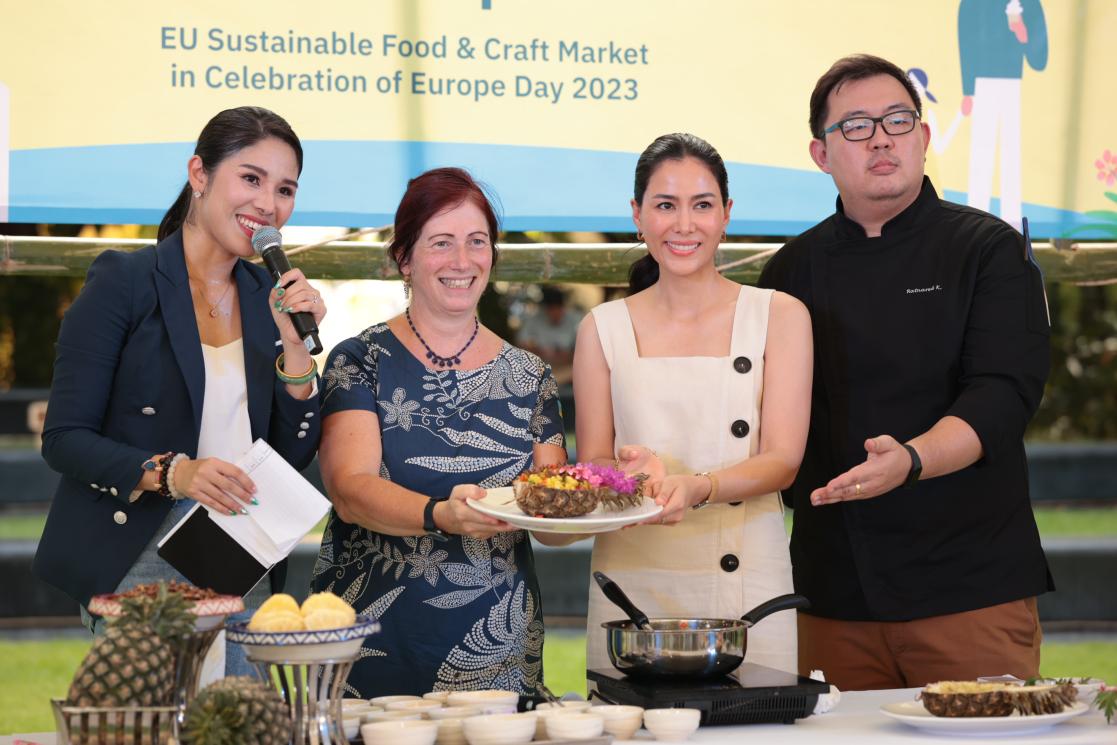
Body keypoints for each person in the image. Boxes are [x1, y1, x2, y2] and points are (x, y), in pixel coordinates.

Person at [758, 54, 1052, 690]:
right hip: (831, 596)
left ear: (922, 137)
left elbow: (1004, 394)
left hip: (970, 591)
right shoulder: (789, 272)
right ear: (821, 154)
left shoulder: (988, 249)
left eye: (897, 120)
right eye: (856, 126)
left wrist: (912, 459)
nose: (881, 138)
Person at [33, 106, 326, 676]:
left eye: (285, 189)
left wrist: (296, 351)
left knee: (244, 717)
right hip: (141, 551)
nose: (268, 203)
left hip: (242, 550)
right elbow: (64, 438)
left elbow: (290, 455)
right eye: (251, 178)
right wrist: (174, 473)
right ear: (199, 174)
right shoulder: (124, 282)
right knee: (159, 717)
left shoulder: (268, 297)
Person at [312, 167, 567, 696]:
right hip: (370, 643)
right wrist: (440, 515)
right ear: (404, 258)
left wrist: (618, 501)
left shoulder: (531, 376)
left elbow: (550, 522)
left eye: (477, 241)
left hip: (498, 655)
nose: (462, 261)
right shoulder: (359, 361)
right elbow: (350, 492)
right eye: (441, 243)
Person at [573, 133, 813, 675]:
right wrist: (632, 475)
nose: (684, 225)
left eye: (702, 205)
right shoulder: (602, 327)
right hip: (632, 581)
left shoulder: (779, 315)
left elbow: (783, 460)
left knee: (754, 718)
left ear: (726, 214)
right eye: (665, 205)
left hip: (747, 580)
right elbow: (595, 462)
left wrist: (696, 487)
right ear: (637, 215)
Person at [959, 0, 1048, 230]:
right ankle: (974, 221)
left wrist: (1023, 34)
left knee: (1011, 151)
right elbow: (966, 43)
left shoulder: (1027, 3)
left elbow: (1039, 59)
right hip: (982, 84)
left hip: (1012, 81)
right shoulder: (972, 4)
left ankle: (1013, 222)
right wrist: (968, 90)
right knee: (981, 153)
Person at [516, 286, 581, 385]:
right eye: (551, 309)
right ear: (545, 309)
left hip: (567, 369)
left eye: (557, 309)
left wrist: (568, 354)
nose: (555, 313)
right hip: (541, 367)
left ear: (563, 308)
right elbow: (521, 343)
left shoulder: (575, 319)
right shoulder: (534, 319)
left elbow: (584, 347)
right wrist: (539, 351)